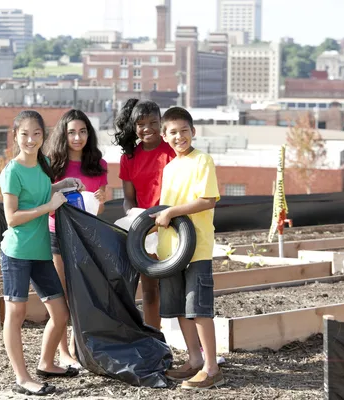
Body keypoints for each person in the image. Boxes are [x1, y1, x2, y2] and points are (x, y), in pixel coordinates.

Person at [0, 110, 85, 396]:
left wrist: (65, 185)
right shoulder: (12, 172)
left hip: (40, 253)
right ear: (15, 136)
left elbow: (45, 192)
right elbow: (12, 218)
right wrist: (48, 208)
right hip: (17, 253)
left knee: (60, 313)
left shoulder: (45, 164)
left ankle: (47, 363)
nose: (30, 140)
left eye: (36, 134)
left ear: (43, 137)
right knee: (17, 313)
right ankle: (22, 378)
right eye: (24, 134)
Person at [151, 107, 224, 390]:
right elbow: (165, 210)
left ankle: (212, 367)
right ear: (164, 136)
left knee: (199, 308)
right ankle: (194, 360)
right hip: (171, 250)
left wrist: (170, 213)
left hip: (197, 249)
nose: (179, 136)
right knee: (181, 308)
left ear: (193, 132)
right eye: (173, 132)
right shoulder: (169, 168)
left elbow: (208, 200)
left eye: (184, 130)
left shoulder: (202, 161)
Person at [46, 109, 108, 366]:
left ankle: (76, 346)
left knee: (81, 291)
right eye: (71, 132)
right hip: (57, 233)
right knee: (61, 293)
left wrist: (102, 200)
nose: (77, 137)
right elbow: (45, 202)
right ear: (63, 134)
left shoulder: (99, 164)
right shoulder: (51, 164)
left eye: (83, 131)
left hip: (87, 235)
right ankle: (63, 352)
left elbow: (99, 207)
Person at [113, 98, 176, 330]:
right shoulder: (128, 157)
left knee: (176, 288)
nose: (147, 128)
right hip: (145, 229)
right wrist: (136, 218)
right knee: (150, 290)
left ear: (161, 123)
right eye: (141, 123)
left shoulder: (173, 152)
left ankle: (192, 344)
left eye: (153, 122)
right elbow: (128, 199)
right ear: (134, 126)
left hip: (173, 225)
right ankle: (154, 338)